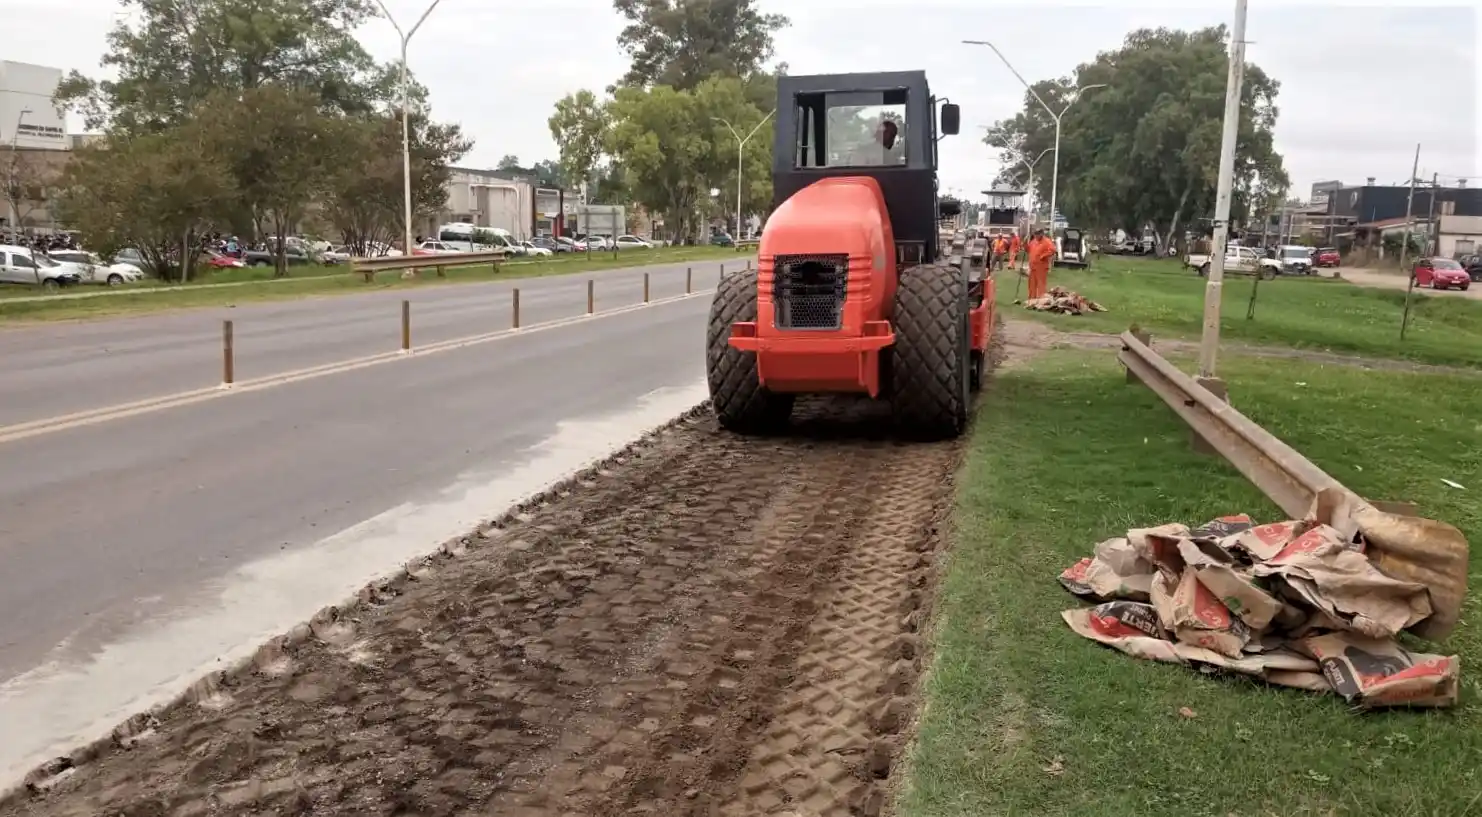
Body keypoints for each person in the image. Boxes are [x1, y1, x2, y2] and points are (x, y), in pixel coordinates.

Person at [1026, 227, 1057, 301]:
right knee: (1031, 283)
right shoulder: (1033, 241)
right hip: (1032, 266)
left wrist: (1043, 256)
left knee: (1041, 284)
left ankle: (1041, 300)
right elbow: (1028, 250)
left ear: (1042, 234)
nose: (1036, 235)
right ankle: (1031, 299)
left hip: (1041, 266)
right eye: (1035, 234)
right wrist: (1024, 245)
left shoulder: (1047, 241)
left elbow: (1052, 250)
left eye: (1038, 234)